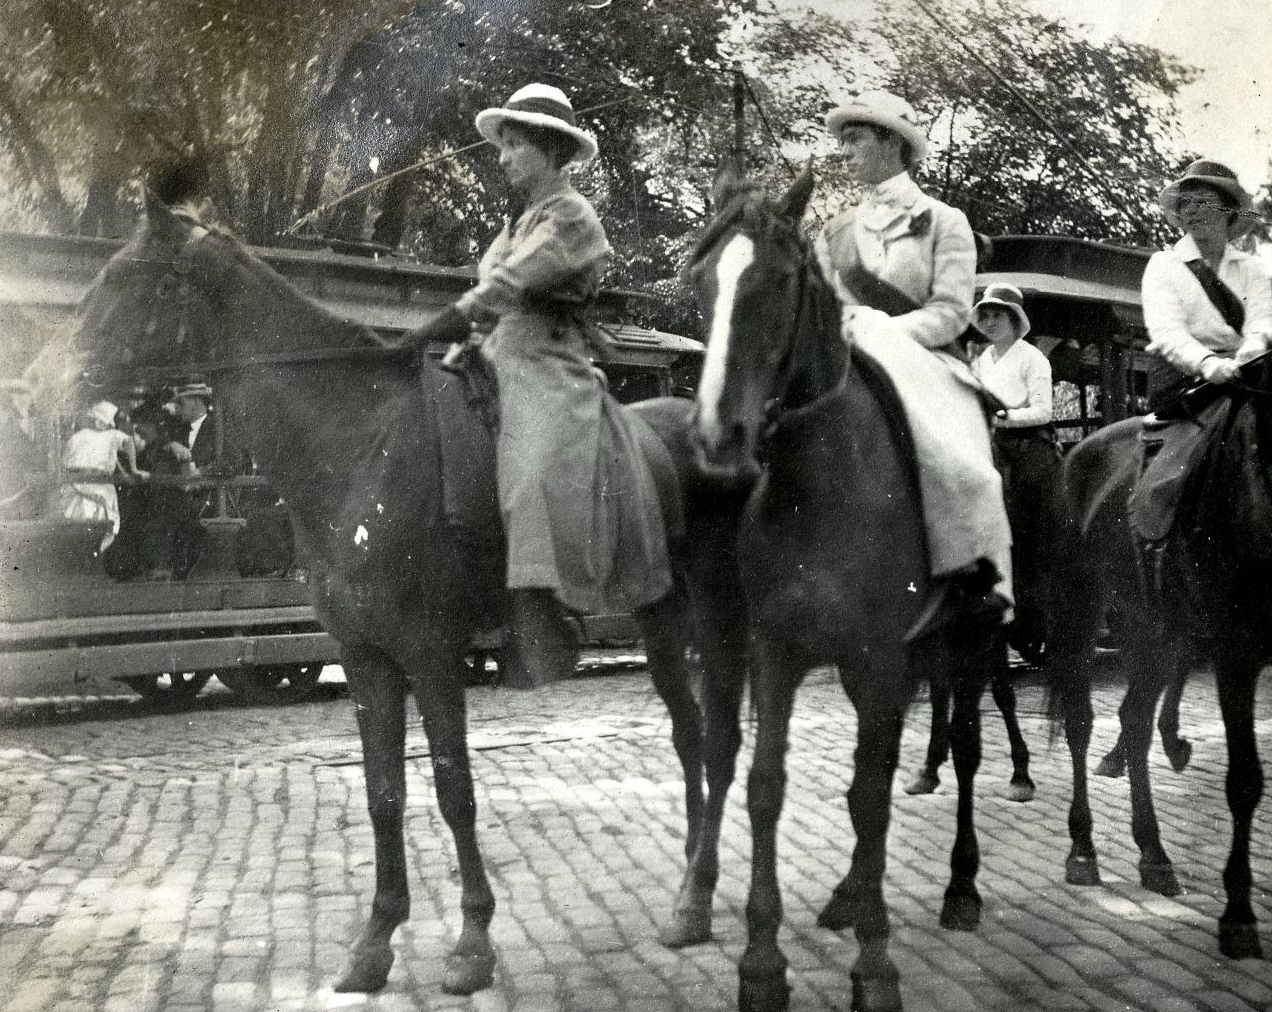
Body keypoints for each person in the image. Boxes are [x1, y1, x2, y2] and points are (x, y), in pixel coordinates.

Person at [405, 83, 671, 684]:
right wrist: (458, 340)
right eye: (501, 146)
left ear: (551, 149)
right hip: (491, 355)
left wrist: (460, 311)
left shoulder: (571, 216)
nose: (502, 158)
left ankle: (544, 610)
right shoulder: (517, 223)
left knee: (532, 468)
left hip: (546, 362)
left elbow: (515, 283)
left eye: (515, 145)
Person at [814, 90, 1012, 635]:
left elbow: (951, 312)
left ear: (891, 145)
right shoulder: (834, 232)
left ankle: (979, 580)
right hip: (849, 359)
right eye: (844, 140)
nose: (845, 151)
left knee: (971, 473)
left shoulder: (945, 221)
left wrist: (884, 331)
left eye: (855, 139)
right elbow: (828, 309)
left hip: (927, 365)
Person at [970, 284, 1059, 656]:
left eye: (997, 315)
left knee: (1030, 517)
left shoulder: (1032, 358)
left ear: (1014, 319)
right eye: (985, 315)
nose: (990, 322)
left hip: (1027, 445)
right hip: (988, 442)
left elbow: (1044, 410)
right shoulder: (980, 361)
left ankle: (1037, 610)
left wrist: (1004, 418)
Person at [1141, 159, 1271, 414]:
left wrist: (1255, 346)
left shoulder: (1250, 267)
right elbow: (1167, 332)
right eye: (1185, 203)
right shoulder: (1164, 264)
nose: (1191, 211)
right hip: (1182, 380)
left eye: (1201, 202)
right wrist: (1207, 363)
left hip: (1244, 373)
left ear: (1227, 209)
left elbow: (1263, 317)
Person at [58, 400, 147, 553]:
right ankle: (94, 555)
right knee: (103, 523)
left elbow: (64, 463)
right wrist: (134, 469)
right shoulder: (109, 435)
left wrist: (131, 470)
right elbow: (129, 443)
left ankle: (88, 556)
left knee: (84, 523)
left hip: (79, 483)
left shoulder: (79, 437)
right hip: (96, 484)